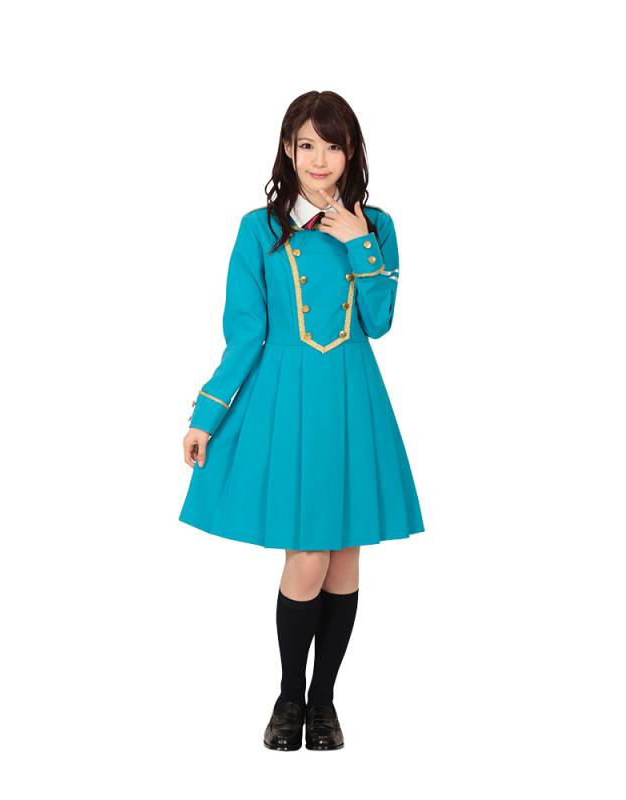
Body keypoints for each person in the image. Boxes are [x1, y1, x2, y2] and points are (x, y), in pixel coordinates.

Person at [179, 90, 425, 751]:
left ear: (352, 152)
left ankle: (325, 701)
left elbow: (379, 322)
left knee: (344, 559)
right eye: (306, 144)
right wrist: (207, 413)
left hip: (352, 397)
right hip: (286, 401)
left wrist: (359, 243)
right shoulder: (258, 229)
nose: (319, 159)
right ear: (288, 148)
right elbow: (245, 333)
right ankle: (290, 697)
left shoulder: (377, 225)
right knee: (309, 556)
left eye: (333, 145)